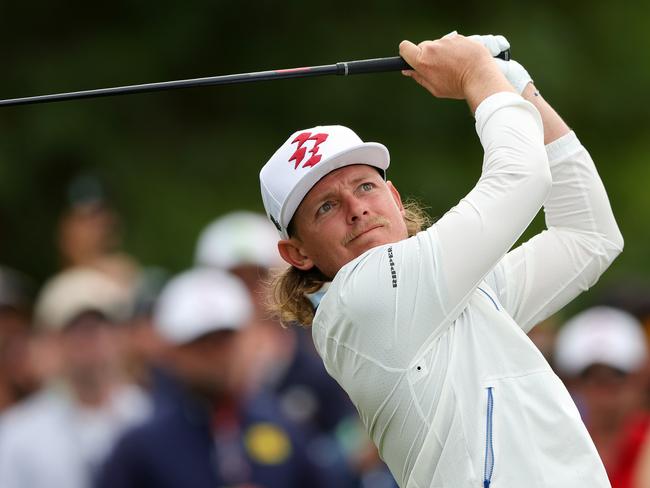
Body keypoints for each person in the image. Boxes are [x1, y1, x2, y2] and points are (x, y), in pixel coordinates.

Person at [259, 33, 624, 487]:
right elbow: (521, 177)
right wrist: (477, 75)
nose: (356, 208)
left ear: (393, 196)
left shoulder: (452, 293)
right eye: (326, 207)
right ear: (297, 253)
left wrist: (516, 85)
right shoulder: (361, 299)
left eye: (366, 186)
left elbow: (588, 236)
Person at [97, 268, 340, 488]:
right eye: (201, 343)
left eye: (226, 338)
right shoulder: (140, 448)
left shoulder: (286, 427)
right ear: (171, 350)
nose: (218, 355)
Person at [0, 267, 150, 488]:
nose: (90, 340)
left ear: (120, 335)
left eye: (100, 325)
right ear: (51, 340)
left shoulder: (149, 415)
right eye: (75, 329)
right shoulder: (16, 434)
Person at [554, 306, 650, 488]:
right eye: (589, 376)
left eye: (616, 375)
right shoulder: (556, 442)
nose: (603, 392)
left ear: (641, 376)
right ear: (571, 382)